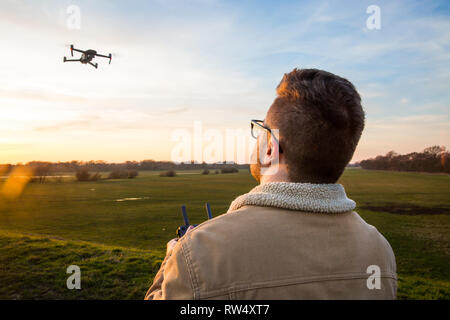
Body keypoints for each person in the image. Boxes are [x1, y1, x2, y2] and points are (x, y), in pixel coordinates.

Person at [145, 68, 397, 300]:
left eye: (261, 129)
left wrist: (173, 257)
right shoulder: (379, 252)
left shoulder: (200, 253)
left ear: (271, 149)